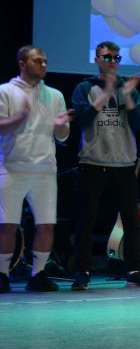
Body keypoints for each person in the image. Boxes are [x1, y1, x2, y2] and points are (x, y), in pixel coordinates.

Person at [70, 41, 140, 290]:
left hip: (124, 162)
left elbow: (139, 123)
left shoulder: (128, 89)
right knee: (87, 219)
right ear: (97, 59)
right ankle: (83, 271)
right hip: (93, 160)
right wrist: (106, 92)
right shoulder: (85, 87)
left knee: (131, 219)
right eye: (107, 57)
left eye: (116, 58)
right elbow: (83, 120)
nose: (112, 62)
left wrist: (126, 94)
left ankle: (134, 270)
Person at [0, 46, 72, 293]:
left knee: (46, 224)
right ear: (22, 64)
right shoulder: (5, 91)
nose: (43, 64)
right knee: (7, 225)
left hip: (44, 170)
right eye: (37, 60)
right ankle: (2, 274)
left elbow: (63, 136)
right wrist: (18, 119)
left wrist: (60, 125)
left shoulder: (55, 95)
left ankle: (38, 274)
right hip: (11, 167)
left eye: (45, 61)